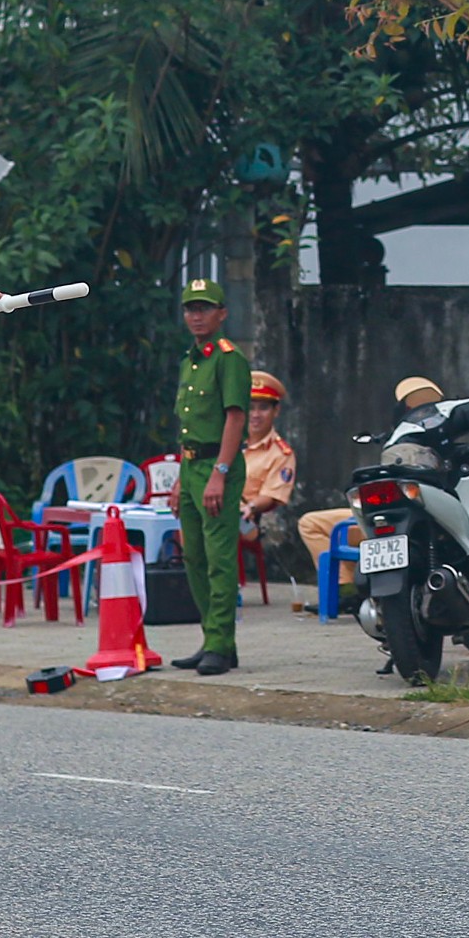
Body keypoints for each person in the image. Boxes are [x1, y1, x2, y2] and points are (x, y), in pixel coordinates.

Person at [169, 277, 253, 675]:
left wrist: (219, 473)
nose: (196, 315)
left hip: (217, 465)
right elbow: (188, 425)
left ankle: (221, 642)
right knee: (194, 556)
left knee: (220, 558)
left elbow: (235, 416)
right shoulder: (190, 360)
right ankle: (212, 640)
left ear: (222, 313)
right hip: (190, 466)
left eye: (204, 307)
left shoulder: (228, 358)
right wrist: (180, 479)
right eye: (190, 308)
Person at [299, 375, 440, 605]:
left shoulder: (440, 438)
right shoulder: (396, 439)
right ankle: (344, 590)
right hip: (383, 514)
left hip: (420, 516)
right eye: (413, 407)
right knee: (310, 523)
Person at [237, 369, 296, 563]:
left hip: (244, 519)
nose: (255, 414)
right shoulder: (229, 440)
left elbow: (272, 496)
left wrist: (251, 507)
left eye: (263, 408)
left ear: (275, 411)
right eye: (250, 407)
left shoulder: (281, 454)